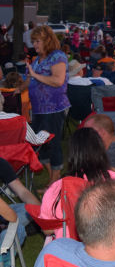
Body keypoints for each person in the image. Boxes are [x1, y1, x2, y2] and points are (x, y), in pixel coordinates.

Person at [39, 127, 115, 242]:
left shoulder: (58, 187)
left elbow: (47, 229)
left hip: (70, 252)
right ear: (102, 151)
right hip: (112, 247)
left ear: (72, 155)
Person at [18, 25, 70, 185]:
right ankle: (52, 179)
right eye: (33, 41)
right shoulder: (37, 60)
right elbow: (29, 80)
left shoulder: (58, 57)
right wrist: (17, 90)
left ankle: (54, 183)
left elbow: (57, 80)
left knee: (52, 144)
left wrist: (35, 75)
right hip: (38, 109)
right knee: (40, 144)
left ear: (47, 40)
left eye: (37, 41)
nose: (35, 45)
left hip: (54, 108)